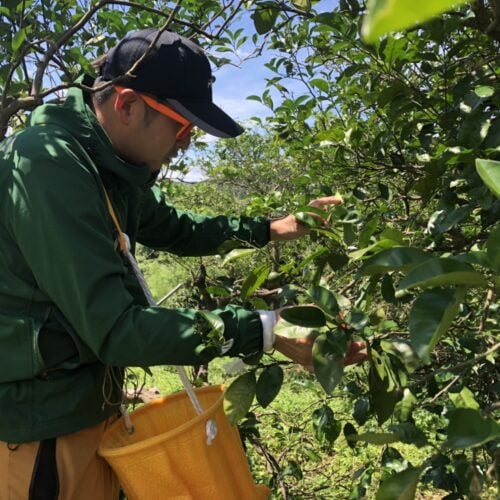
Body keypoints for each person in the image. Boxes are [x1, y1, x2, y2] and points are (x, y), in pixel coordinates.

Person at [0, 28, 365, 499]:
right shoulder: (47, 164)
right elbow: (117, 331)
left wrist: (276, 228)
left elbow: (178, 228)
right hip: (41, 430)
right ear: (127, 105)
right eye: (181, 125)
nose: (186, 142)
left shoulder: (107, 166)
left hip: (89, 410)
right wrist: (269, 331)